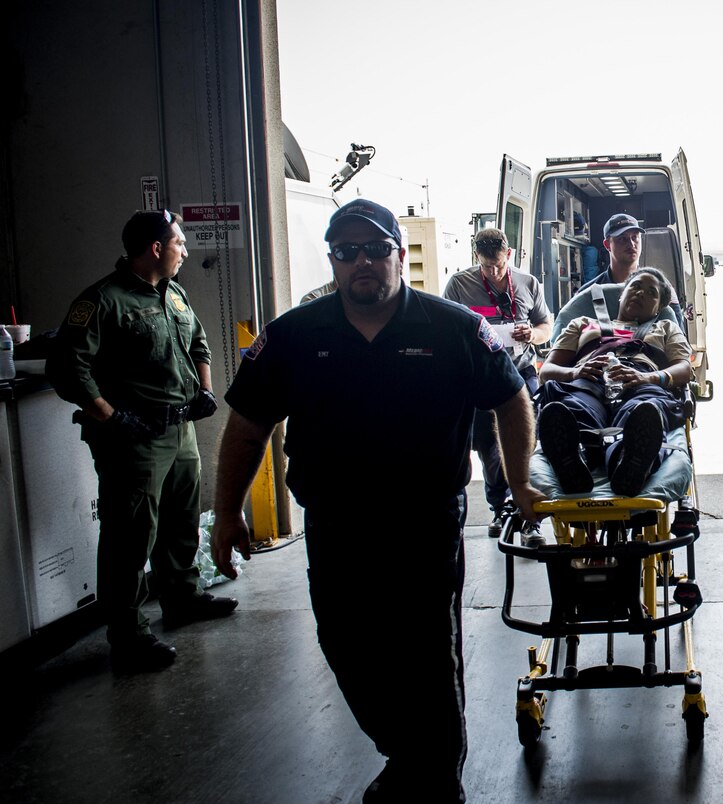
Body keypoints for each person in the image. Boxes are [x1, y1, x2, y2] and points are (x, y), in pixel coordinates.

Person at [211, 198, 544, 803]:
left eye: (375, 249)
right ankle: (409, 755)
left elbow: (512, 398)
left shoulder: (451, 327)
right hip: (337, 525)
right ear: (335, 261)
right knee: (348, 648)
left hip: (424, 524)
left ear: (398, 254)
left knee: (426, 659)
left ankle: (436, 780)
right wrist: (229, 511)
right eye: (346, 252)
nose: (361, 261)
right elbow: (247, 425)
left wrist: (518, 483)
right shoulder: (295, 335)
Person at [46, 209, 233, 673]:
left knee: (180, 519)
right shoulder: (102, 301)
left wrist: (205, 391)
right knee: (130, 535)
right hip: (134, 437)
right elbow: (67, 367)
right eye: (179, 244)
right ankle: (127, 634)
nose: (185, 251)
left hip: (180, 428)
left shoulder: (174, 294)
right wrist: (111, 418)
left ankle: (182, 597)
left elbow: (199, 344)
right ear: (155, 248)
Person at [536, 267, 691, 497]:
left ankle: (629, 461)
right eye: (635, 286)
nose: (640, 293)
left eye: (651, 293)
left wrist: (648, 377)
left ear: (660, 308)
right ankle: (576, 460)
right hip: (587, 379)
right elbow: (546, 371)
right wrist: (575, 373)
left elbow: (684, 368)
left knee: (645, 410)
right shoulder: (582, 324)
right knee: (573, 408)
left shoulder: (665, 327)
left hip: (639, 380)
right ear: (622, 293)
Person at [443, 229, 553, 544]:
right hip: (479, 375)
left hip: (520, 370)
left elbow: (547, 325)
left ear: (510, 254)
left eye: (500, 266)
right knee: (488, 448)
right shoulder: (460, 285)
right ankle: (499, 507)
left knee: (525, 443)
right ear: (476, 257)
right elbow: (449, 329)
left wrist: (532, 334)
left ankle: (529, 516)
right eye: (487, 267)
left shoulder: (528, 283)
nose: (494, 272)